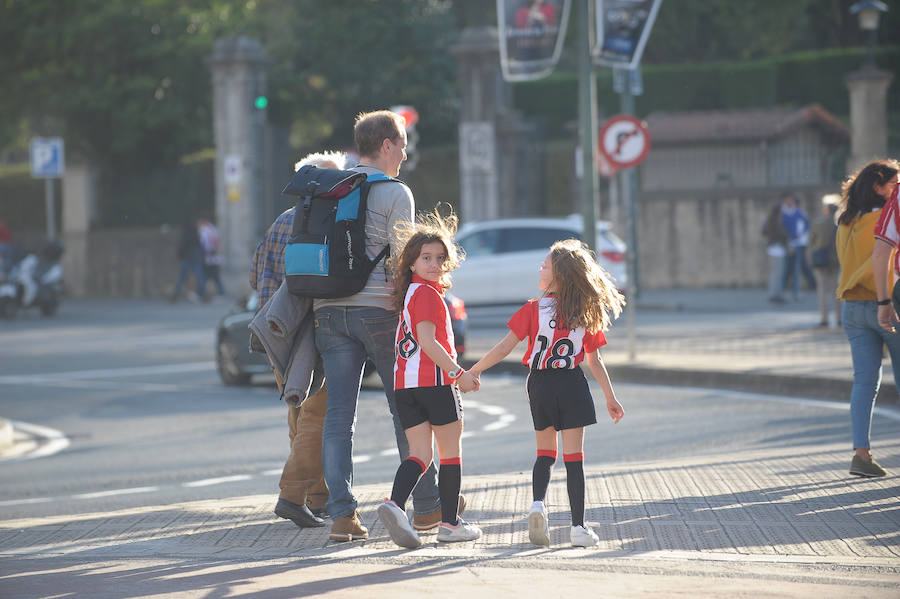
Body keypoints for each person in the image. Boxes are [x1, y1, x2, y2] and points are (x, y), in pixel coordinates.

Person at [314, 110, 447, 542]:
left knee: (338, 417)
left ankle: (341, 516)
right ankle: (427, 508)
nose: (406, 152)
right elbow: (401, 261)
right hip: (378, 312)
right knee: (405, 409)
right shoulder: (395, 193)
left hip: (329, 312)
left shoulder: (332, 187)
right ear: (386, 145)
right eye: (403, 143)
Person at [468, 239, 626, 547]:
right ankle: (579, 528)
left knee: (544, 453)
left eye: (545, 265)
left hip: (539, 384)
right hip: (572, 383)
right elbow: (595, 360)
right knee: (574, 459)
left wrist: (475, 370)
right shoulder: (585, 312)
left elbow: (504, 347)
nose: (540, 267)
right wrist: (610, 396)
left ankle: (538, 504)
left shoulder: (531, 310)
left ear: (559, 276)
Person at [250, 151, 347, 530]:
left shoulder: (280, 222)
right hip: (315, 334)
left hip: (278, 333)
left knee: (298, 416)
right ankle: (292, 494)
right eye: (334, 179)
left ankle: (317, 497)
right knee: (318, 419)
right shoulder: (326, 222)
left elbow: (257, 273)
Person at [378, 209, 481, 548]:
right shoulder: (429, 295)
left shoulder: (408, 295)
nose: (434, 264)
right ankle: (450, 524)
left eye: (440, 258)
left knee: (420, 455)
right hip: (435, 384)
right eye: (426, 258)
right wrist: (459, 374)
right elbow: (428, 341)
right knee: (451, 455)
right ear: (411, 263)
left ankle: (394, 504)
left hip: (405, 387)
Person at [836, 158, 900, 478]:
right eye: (894, 184)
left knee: (864, 383)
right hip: (886, 304)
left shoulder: (845, 221)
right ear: (878, 187)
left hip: (851, 307)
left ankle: (861, 455)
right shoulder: (886, 218)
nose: (898, 190)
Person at [808, 194, 841, 327]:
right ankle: (839, 318)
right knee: (836, 290)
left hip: (820, 260)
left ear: (825, 209)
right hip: (835, 261)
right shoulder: (840, 225)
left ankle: (824, 318)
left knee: (822, 290)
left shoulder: (817, 223)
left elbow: (811, 242)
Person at [781, 193, 816, 299]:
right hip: (788, 243)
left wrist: (800, 234)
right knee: (787, 267)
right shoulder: (783, 213)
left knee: (797, 267)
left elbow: (807, 224)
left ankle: (795, 290)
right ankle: (786, 289)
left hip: (797, 243)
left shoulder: (797, 212)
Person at [171, 215, 205, 303]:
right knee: (200, 276)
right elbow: (199, 244)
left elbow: (182, 245)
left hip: (186, 257)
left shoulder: (186, 233)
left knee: (181, 278)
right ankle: (204, 294)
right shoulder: (196, 232)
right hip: (195, 257)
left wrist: (180, 254)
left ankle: (175, 295)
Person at [761, 203, 789, 304]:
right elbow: (781, 235)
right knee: (778, 273)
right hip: (777, 250)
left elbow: (764, 232)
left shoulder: (769, 221)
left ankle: (774, 294)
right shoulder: (777, 222)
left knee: (774, 273)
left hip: (773, 249)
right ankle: (776, 295)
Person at [198, 215, 226, 299]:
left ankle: (203, 293)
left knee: (205, 276)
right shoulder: (214, 229)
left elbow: (202, 243)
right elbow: (218, 241)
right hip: (215, 257)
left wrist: (202, 254)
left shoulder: (203, 230)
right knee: (215, 276)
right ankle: (220, 292)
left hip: (207, 257)